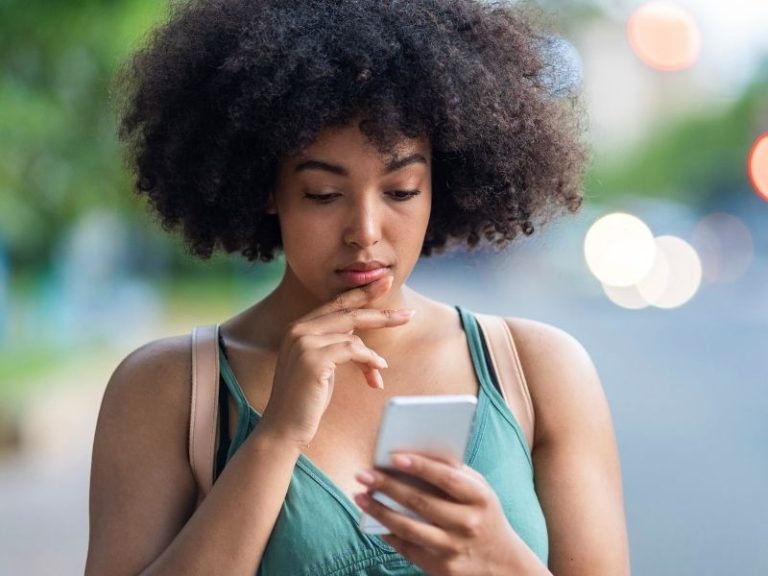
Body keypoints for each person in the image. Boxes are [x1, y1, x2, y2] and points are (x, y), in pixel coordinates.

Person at [86, 0, 630, 574]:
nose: (365, 234)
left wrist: (498, 560)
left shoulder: (538, 372)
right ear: (266, 188)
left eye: (401, 191)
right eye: (323, 194)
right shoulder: (169, 389)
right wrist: (275, 439)